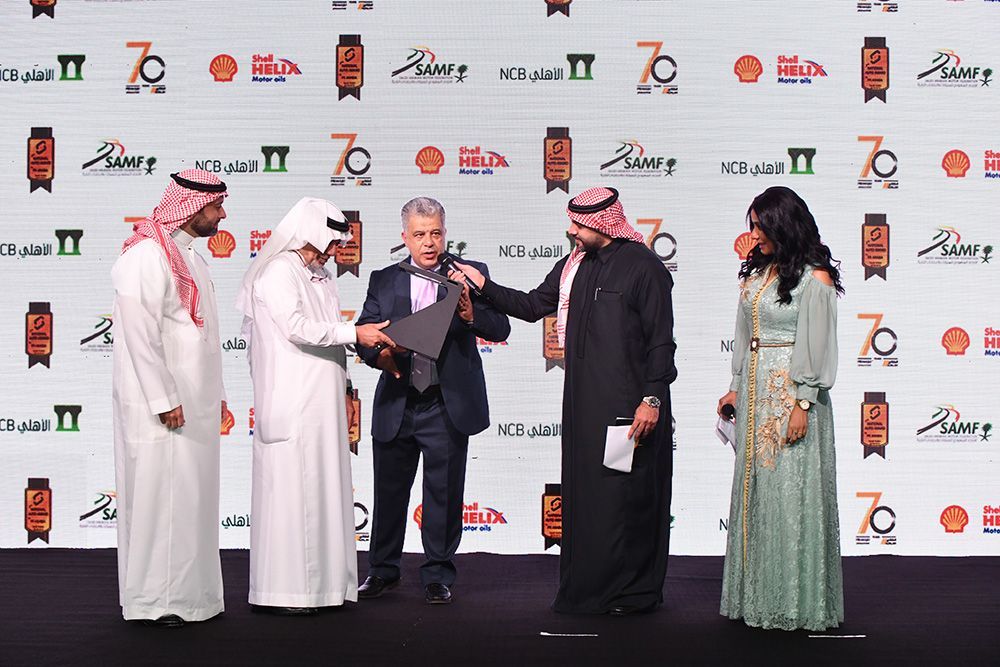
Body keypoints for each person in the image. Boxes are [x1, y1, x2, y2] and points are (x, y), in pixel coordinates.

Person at [455, 186, 676, 616]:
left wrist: (651, 399)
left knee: (625, 497)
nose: (571, 231)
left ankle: (633, 593)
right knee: (591, 497)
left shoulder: (644, 267)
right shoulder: (573, 264)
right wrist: (483, 285)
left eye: (577, 224)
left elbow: (661, 343)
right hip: (582, 405)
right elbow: (531, 306)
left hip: (628, 409)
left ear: (602, 223)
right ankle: (590, 589)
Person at [236, 197, 396, 616]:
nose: (336, 249)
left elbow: (330, 336)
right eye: (332, 240)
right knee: (294, 495)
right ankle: (287, 593)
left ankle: (325, 589)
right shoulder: (279, 271)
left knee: (323, 491)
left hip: (322, 404)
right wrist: (356, 333)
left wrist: (347, 385)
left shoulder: (320, 275)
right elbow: (296, 328)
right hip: (294, 403)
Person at [355, 196, 510, 605]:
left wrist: (469, 315)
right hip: (398, 400)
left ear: (445, 234)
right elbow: (365, 333)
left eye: (436, 233)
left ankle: (438, 574)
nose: (429, 242)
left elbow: (500, 327)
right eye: (420, 234)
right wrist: (379, 356)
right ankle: (382, 570)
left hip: (446, 402)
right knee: (389, 492)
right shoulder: (383, 279)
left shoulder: (469, 274)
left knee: (444, 492)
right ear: (404, 237)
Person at [716, 185, 844, 631]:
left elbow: (818, 346)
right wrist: (735, 387)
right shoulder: (759, 271)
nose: (753, 235)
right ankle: (756, 597)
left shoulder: (815, 279)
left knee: (791, 499)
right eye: (752, 225)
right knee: (759, 496)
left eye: (760, 226)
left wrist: (803, 403)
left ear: (783, 225)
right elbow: (745, 334)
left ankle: (794, 603)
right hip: (754, 398)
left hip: (791, 400)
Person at [111, 169, 230, 627]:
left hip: (193, 404)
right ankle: (158, 602)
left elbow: (205, 337)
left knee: (190, 500)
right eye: (216, 206)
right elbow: (139, 335)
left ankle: (192, 597)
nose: (222, 215)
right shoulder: (145, 256)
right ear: (191, 208)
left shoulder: (191, 258)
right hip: (161, 409)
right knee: (163, 500)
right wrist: (163, 398)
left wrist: (217, 395)